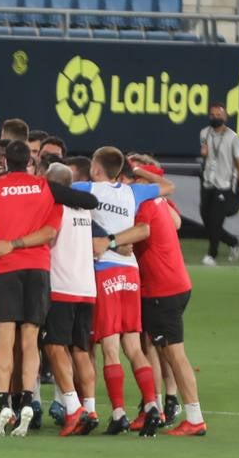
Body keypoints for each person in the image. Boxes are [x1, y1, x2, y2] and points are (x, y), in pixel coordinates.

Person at [0, 140, 99, 436]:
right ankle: (27, 400)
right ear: (29, 162)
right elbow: (88, 202)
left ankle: (4, 405)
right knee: (30, 339)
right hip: (38, 271)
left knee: (5, 338)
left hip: (6, 270)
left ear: (5, 161)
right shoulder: (44, 187)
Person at [74, 147, 175, 437]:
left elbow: (58, 190)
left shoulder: (88, 188)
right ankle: (152, 406)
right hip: (130, 271)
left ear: (95, 168)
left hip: (104, 269)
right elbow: (168, 188)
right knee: (133, 345)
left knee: (109, 347)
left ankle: (118, 412)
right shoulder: (133, 193)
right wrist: (135, 172)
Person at [129, 156, 208, 436]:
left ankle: (195, 418)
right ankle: (155, 408)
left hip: (164, 289)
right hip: (167, 286)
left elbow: (140, 234)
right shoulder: (159, 203)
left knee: (174, 354)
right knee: (155, 348)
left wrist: (110, 241)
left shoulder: (147, 204)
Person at [41, 162, 100, 437]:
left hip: (61, 286)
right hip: (86, 288)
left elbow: (49, 236)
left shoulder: (54, 206)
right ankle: (90, 408)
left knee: (54, 346)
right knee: (80, 349)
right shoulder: (84, 209)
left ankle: (73, 408)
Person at [199, 103, 239, 266]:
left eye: (218, 115)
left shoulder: (233, 138)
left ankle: (211, 255)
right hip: (207, 182)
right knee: (207, 220)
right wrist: (204, 154)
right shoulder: (204, 133)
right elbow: (206, 157)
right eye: (212, 115)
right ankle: (234, 242)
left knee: (215, 220)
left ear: (225, 117)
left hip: (224, 185)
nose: (215, 117)